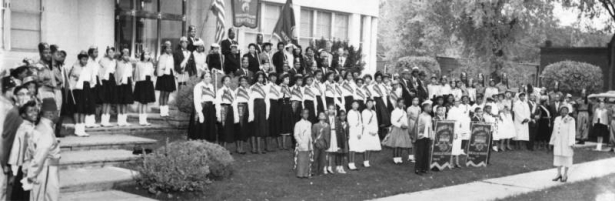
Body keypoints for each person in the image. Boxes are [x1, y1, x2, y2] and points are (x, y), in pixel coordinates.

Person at [24, 98, 60, 201]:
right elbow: (39, 156)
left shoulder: (40, 127)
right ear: (50, 114)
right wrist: (31, 175)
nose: (58, 115)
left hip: (43, 171)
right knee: (47, 197)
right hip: (45, 172)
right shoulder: (46, 132)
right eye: (57, 112)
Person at [8, 101, 38, 200]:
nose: (34, 113)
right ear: (23, 115)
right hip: (25, 168)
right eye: (30, 111)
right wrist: (15, 171)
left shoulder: (30, 127)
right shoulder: (26, 130)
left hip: (27, 167)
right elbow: (19, 152)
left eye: (35, 110)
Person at [68, 52, 93, 137]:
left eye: (86, 59)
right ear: (79, 59)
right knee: (77, 109)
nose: (85, 61)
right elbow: (71, 79)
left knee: (83, 109)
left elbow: (89, 79)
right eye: (83, 59)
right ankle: (77, 129)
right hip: (77, 90)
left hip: (86, 89)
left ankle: (82, 129)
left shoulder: (87, 68)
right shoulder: (75, 67)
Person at [188, 72, 217, 141]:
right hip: (201, 107)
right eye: (206, 76)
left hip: (210, 108)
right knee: (200, 127)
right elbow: (196, 100)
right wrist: (200, 112)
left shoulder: (211, 86)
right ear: (202, 78)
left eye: (209, 76)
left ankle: (208, 142)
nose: (208, 78)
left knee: (209, 127)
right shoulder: (198, 86)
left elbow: (212, 97)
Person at [382, 98, 413, 164]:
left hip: (403, 129)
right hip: (396, 128)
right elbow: (393, 121)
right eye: (400, 102)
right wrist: (400, 125)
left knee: (401, 144)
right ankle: (395, 158)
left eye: (402, 102)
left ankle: (399, 157)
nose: (401, 104)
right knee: (396, 144)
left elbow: (405, 120)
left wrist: (406, 125)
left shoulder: (404, 112)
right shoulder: (394, 111)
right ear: (397, 103)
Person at [550, 106, 575, 183]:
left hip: (566, 141)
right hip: (558, 141)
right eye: (562, 110)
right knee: (558, 157)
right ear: (560, 111)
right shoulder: (557, 118)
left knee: (567, 157)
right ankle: (558, 174)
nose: (563, 111)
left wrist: (571, 143)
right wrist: (552, 141)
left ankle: (565, 174)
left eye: (565, 110)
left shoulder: (571, 119)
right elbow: (554, 130)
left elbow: (572, 131)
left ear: (568, 111)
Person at [133, 51, 156, 126]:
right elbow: (136, 74)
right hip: (141, 82)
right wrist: (135, 82)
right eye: (146, 54)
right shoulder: (139, 63)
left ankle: (144, 119)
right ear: (143, 55)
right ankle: (141, 120)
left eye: (148, 54)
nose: (147, 56)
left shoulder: (150, 64)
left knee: (146, 102)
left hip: (148, 82)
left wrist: (152, 82)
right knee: (141, 101)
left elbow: (152, 74)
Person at [249, 72, 270, 154]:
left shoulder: (265, 87)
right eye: (259, 77)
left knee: (261, 127)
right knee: (255, 127)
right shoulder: (252, 87)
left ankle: (259, 148)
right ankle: (255, 148)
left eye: (262, 77)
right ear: (256, 78)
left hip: (263, 107)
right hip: (255, 106)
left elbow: (267, 100)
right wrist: (251, 113)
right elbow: (250, 101)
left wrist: (267, 112)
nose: (260, 79)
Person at [216, 76, 238, 151]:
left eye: (229, 81)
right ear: (223, 82)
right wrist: (218, 115)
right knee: (222, 129)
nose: (228, 82)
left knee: (228, 130)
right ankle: (220, 148)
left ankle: (225, 148)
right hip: (223, 109)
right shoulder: (220, 91)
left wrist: (235, 116)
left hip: (230, 110)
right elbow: (217, 103)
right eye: (226, 80)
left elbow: (234, 104)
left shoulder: (232, 92)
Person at [156, 41, 177, 117]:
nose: (169, 49)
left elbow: (172, 66)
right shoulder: (162, 56)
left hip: (170, 76)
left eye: (170, 48)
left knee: (167, 93)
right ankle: (162, 110)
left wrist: (174, 74)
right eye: (168, 48)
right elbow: (159, 67)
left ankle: (166, 110)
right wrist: (161, 71)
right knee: (163, 93)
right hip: (163, 76)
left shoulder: (171, 56)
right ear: (165, 49)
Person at [98, 47, 118, 126]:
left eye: (113, 52)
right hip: (105, 80)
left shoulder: (114, 61)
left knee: (109, 100)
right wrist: (100, 81)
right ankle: (103, 120)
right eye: (110, 52)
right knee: (105, 101)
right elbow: (100, 71)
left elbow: (114, 71)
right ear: (107, 53)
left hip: (111, 80)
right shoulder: (103, 60)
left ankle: (107, 120)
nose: (111, 54)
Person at [448, 98, 470, 168]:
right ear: (453, 102)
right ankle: (451, 163)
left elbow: (463, 120)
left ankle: (457, 163)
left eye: (458, 102)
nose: (457, 103)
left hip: (459, 130)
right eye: (456, 102)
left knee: (458, 147)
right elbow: (449, 120)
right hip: (454, 130)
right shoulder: (451, 110)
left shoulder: (460, 110)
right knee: (453, 146)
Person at [116, 49, 135, 126]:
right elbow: (116, 73)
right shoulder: (118, 63)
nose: (126, 56)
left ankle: (124, 120)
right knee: (120, 102)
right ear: (122, 55)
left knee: (125, 102)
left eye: (127, 54)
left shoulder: (129, 64)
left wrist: (132, 82)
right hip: (120, 83)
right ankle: (119, 120)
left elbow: (130, 74)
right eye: (124, 54)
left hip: (127, 83)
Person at [415, 100, 434, 175]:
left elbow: (430, 127)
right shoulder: (420, 116)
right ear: (425, 107)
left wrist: (431, 136)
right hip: (421, 137)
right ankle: (417, 168)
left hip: (427, 136)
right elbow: (418, 127)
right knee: (420, 153)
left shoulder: (429, 116)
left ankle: (424, 168)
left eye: (431, 107)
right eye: (429, 107)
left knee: (426, 153)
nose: (431, 109)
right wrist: (419, 136)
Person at [361, 99, 381, 167]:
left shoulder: (374, 112)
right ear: (366, 104)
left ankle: (367, 160)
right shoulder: (364, 112)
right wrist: (369, 131)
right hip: (367, 131)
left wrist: (375, 131)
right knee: (366, 147)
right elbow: (364, 123)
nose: (370, 104)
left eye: (371, 103)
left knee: (370, 146)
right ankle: (365, 161)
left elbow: (375, 122)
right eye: (368, 103)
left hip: (373, 130)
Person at [84, 46, 101, 128]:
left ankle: (92, 121)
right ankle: (87, 121)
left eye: (97, 52)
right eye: (95, 52)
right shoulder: (88, 61)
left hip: (95, 83)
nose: (96, 54)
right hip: (88, 84)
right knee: (88, 102)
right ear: (90, 53)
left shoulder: (96, 62)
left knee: (93, 102)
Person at [294, 109, 312, 178]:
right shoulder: (298, 124)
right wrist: (300, 142)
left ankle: (306, 173)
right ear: (301, 114)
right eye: (304, 113)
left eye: (307, 113)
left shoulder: (309, 123)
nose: (306, 115)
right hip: (301, 143)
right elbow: (296, 134)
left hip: (307, 143)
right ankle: (300, 173)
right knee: (301, 159)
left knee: (307, 159)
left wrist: (310, 143)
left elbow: (309, 134)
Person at [372, 72, 391, 140]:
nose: (379, 79)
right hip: (375, 102)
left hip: (382, 102)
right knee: (377, 118)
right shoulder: (373, 85)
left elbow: (385, 95)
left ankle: (382, 135)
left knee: (383, 119)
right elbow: (371, 94)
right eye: (377, 78)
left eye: (380, 78)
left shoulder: (383, 86)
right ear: (375, 78)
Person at [312, 111, 330, 176]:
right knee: (315, 157)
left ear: (325, 117)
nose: (322, 116)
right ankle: (313, 171)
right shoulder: (315, 125)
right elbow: (313, 134)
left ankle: (320, 171)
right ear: (318, 117)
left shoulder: (327, 126)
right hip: (316, 143)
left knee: (322, 159)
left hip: (323, 144)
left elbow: (328, 136)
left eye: (323, 115)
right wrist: (314, 141)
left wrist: (327, 144)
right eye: (320, 115)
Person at [279, 74, 294, 150]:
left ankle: (287, 144)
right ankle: (283, 144)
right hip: (284, 106)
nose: (288, 80)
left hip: (289, 106)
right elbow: (280, 96)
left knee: (289, 124)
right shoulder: (281, 87)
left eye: (288, 79)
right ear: (282, 79)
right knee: (284, 125)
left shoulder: (288, 87)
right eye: (286, 79)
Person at [267, 73, 281, 151]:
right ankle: (270, 144)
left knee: (277, 122)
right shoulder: (267, 86)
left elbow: (279, 97)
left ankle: (278, 143)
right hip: (269, 103)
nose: (274, 78)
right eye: (272, 76)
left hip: (276, 103)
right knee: (270, 122)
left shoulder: (278, 87)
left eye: (275, 76)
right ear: (269, 78)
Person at [324, 104, 340, 174]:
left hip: (334, 134)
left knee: (331, 152)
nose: (331, 110)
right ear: (327, 110)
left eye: (333, 109)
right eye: (330, 109)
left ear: (334, 110)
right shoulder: (325, 118)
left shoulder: (336, 118)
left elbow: (338, 128)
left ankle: (330, 167)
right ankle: (324, 167)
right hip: (327, 134)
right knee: (326, 152)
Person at [347, 101, 363, 170]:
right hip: (352, 132)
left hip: (357, 133)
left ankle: (353, 163)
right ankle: (350, 163)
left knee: (354, 148)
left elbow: (360, 123)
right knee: (351, 148)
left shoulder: (358, 113)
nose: (355, 106)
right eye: (354, 104)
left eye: (357, 104)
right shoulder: (350, 112)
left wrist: (359, 133)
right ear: (351, 105)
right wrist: (355, 125)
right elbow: (350, 123)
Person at [334, 109, 349, 174]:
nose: (343, 117)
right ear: (339, 116)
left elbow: (347, 132)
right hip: (339, 141)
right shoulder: (337, 123)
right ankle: (338, 166)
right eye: (341, 115)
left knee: (343, 154)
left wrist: (347, 137)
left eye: (344, 115)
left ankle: (341, 166)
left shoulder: (346, 123)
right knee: (338, 154)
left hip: (344, 141)